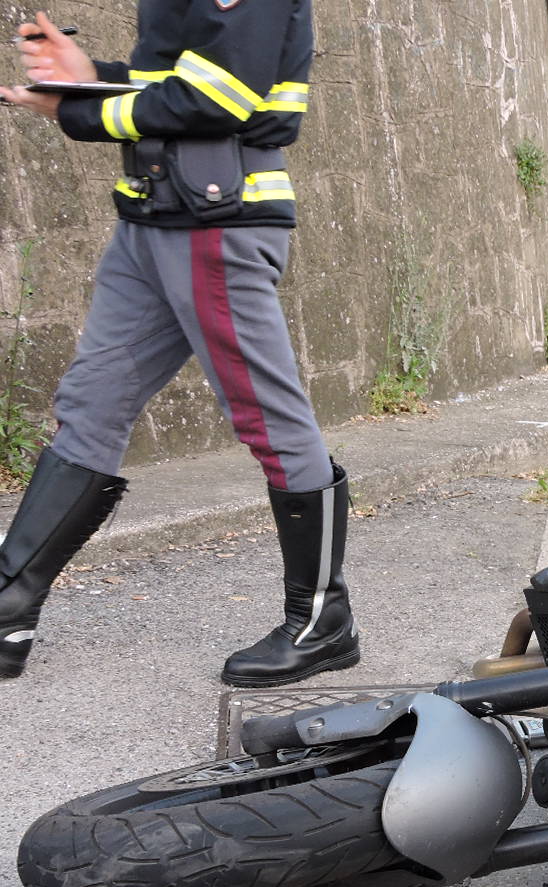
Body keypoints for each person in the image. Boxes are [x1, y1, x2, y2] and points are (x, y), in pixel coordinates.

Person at [0, 7, 358, 686]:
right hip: (152, 214)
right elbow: (166, 79)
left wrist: (77, 112)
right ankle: (9, 608)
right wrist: (89, 81)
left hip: (217, 218)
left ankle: (321, 620)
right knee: (90, 403)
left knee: (268, 418)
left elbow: (219, 93)